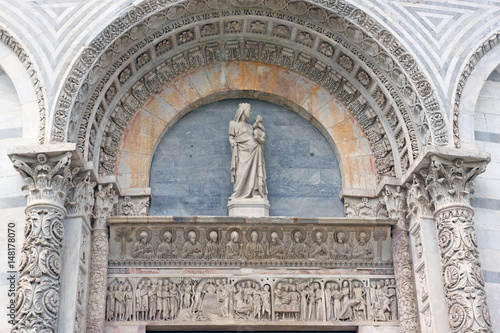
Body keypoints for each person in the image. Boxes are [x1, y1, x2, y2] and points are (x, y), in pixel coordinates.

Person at [229, 103, 267, 199]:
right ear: (243, 110)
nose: (251, 112)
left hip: (254, 151)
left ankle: (255, 191)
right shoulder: (233, 124)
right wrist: (232, 141)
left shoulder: (250, 126)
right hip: (242, 152)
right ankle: (238, 193)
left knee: (253, 172)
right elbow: (231, 136)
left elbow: (253, 136)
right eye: (249, 110)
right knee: (240, 172)